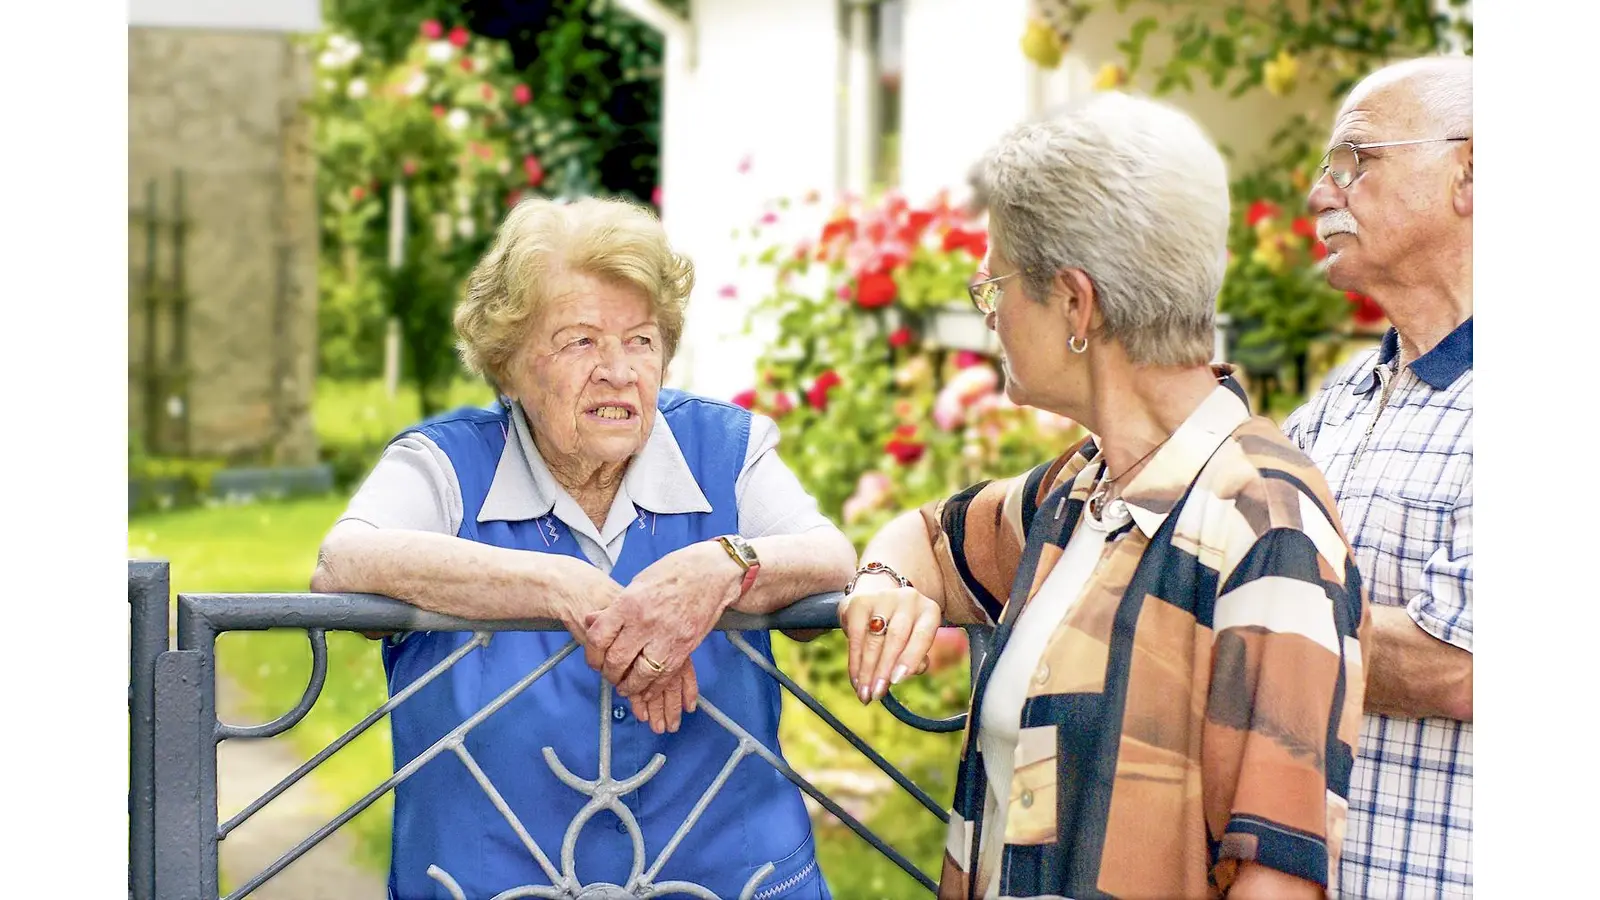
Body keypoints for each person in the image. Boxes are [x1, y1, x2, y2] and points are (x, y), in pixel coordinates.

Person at [837, 92, 1371, 899]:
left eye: (998, 289)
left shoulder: (1263, 521)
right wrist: (886, 585)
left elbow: (1278, 877)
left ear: (1077, 304)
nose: (991, 313)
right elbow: (929, 539)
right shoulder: (1082, 489)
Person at [311, 196, 854, 899]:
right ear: (507, 365)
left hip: (733, 882)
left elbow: (829, 559)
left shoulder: (727, 449)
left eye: (641, 340)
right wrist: (561, 586)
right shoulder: (443, 465)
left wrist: (723, 565)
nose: (619, 371)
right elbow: (344, 563)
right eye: (580, 341)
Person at [1287, 56, 1473, 899]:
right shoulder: (1340, 401)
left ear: (1469, 174)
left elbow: (1459, 663)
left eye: (1356, 161)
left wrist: (1240, 613)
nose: (1324, 195)